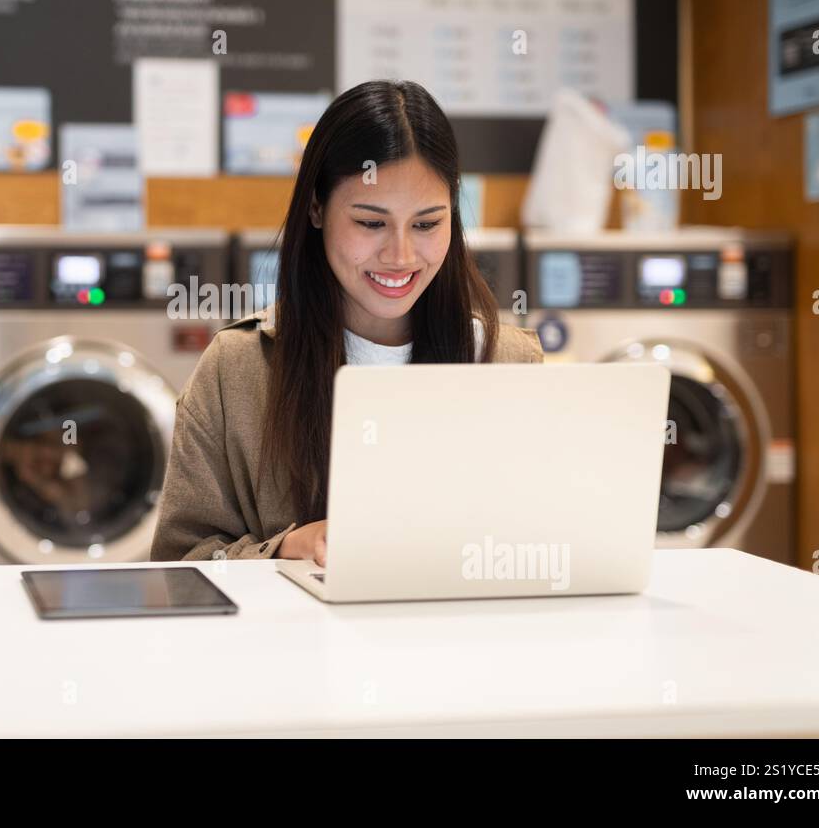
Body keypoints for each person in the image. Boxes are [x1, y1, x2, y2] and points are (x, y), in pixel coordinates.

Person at [150, 80, 543, 565]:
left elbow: (545, 547)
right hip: (289, 641)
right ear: (316, 207)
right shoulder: (237, 370)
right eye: (371, 223)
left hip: (457, 639)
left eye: (426, 224)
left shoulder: (509, 364)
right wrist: (283, 549)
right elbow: (181, 562)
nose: (400, 256)